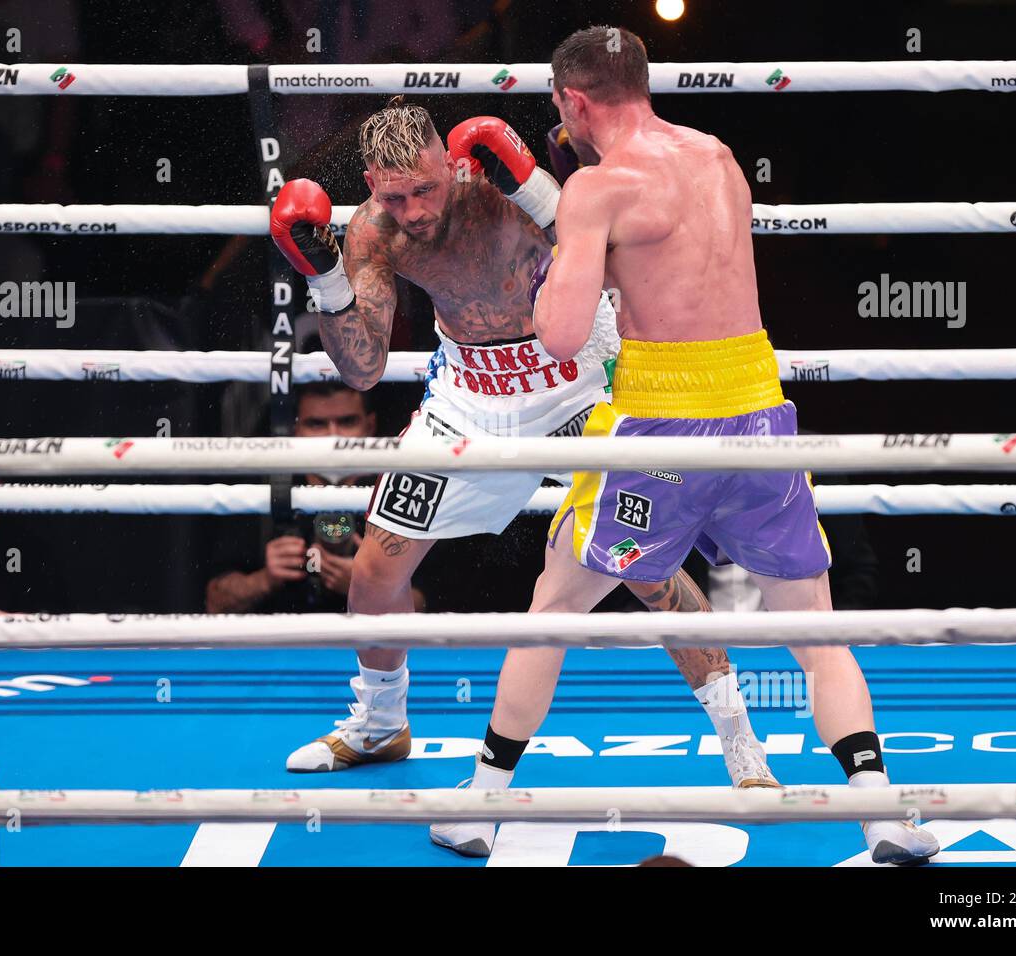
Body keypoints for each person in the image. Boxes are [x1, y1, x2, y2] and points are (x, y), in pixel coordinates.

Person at [467, 26, 938, 865]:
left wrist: (557, 255)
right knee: (817, 632)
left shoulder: (595, 191)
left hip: (662, 423)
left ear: (572, 102)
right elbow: (679, 268)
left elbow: (565, 334)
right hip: (758, 410)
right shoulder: (718, 156)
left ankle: (478, 806)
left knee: (554, 608)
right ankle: (885, 817)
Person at [270, 97, 776, 815]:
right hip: (468, 396)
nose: (413, 210)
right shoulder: (373, 233)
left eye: (424, 189)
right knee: (376, 574)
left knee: (641, 566)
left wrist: (537, 190)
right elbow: (362, 368)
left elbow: (607, 267)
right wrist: (320, 273)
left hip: (574, 379)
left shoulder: (503, 195)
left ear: (451, 164)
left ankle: (740, 742)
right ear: (371, 186)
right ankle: (381, 725)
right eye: (394, 195)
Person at [205, 380, 426, 615]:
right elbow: (215, 602)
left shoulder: (398, 491)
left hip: (367, 646)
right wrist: (264, 580)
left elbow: (428, 603)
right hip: (283, 647)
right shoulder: (260, 492)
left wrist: (373, 584)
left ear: (370, 426)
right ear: (296, 430)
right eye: (317, 424)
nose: (334, 437)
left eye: (346, 421)